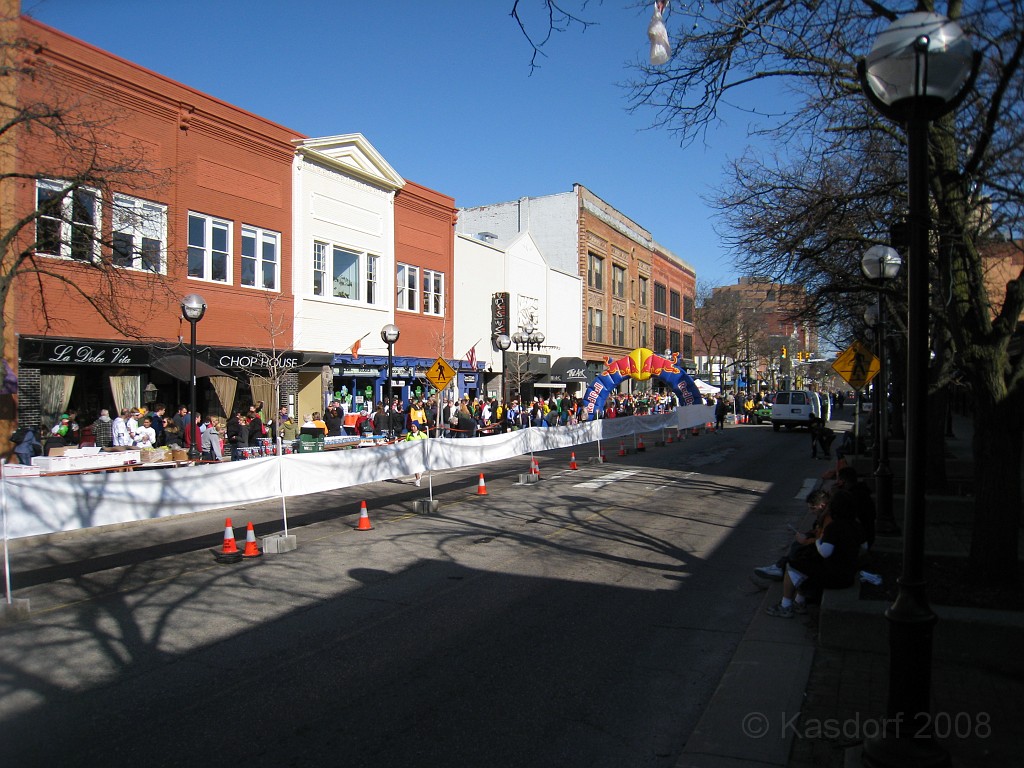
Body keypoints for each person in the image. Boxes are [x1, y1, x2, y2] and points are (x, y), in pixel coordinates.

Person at [766, 489, 866, 617]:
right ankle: (799, 602)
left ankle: (786, 605)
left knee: (793, 565)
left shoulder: (834, 527)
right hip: (848, 574)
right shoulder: (856, 525)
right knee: (806, 563)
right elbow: (864, 546)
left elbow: (825, 552)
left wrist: (819, 542)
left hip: (834, 576)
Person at [753, 489, 830, 581]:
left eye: (813, 508)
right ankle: (779, 566)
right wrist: (808, 534)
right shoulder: (822, 515)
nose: (811, 511)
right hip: (819, 545)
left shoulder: (827, 519)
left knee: (799, 549)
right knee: (797, 545)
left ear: (822, 506)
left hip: (822, 551)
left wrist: (805, 541)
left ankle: (780, 567)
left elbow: (822, 539)